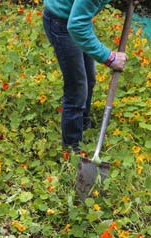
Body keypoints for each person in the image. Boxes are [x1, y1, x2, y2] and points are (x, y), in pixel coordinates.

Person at [42, 0, 139, 153]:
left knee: (89, 80)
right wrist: (111, 58)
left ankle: (83, 127)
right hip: (62, 23)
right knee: (77, 89)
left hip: (75, 17)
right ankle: (73, 148)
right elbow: (76, 26)